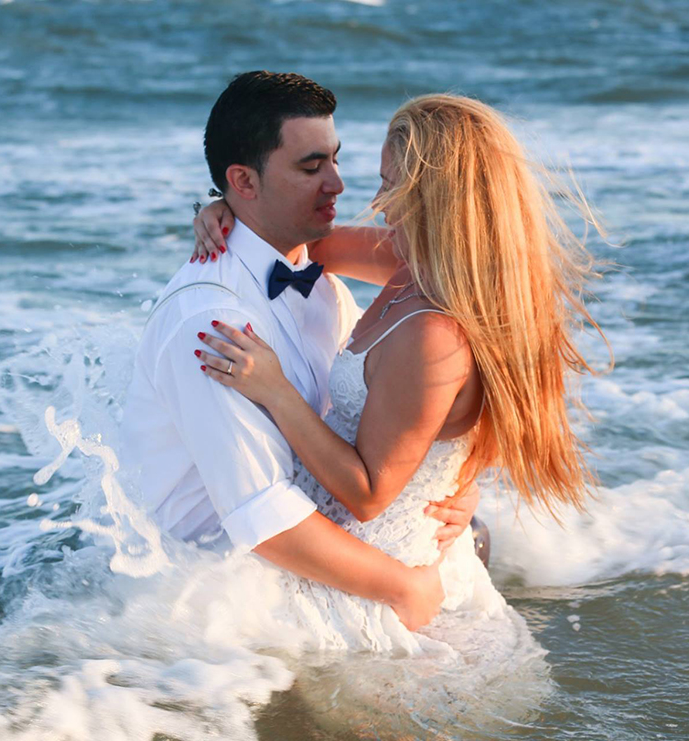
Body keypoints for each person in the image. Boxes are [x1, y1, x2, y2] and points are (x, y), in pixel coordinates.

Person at [188, 93, 607, 651]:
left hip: (380, 583)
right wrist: (222, 207)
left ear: (436, 196)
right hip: (360, 548)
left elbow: (367, 493)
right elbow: (309, 242)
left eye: (394, 186)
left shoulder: (434, 333)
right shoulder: (420, 263)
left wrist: (277, 391)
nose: (379, 202)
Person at [119, 72, 478, 633]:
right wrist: (405, 587)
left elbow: (429, 383)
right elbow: (265, 519)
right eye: (312, 168)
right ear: (244, 180)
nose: (338, 184)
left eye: (336, 159)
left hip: (340, 550)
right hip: (232, 606)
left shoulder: (316, 271)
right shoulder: (211, 325)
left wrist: (462, 478)